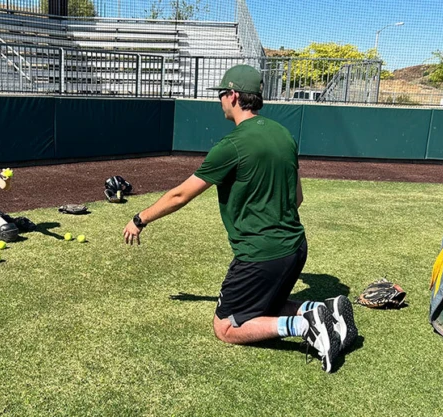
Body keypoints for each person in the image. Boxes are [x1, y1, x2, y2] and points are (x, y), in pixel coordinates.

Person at [122, 65, 357, 372]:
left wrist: (140, 219)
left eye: (221, 94)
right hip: (296, 247)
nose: (220, 101)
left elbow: (180, 195)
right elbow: (297, 198)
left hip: (261, 255)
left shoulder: (231, 145)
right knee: (266, 305)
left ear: (232, 95)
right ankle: (324, 309)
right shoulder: (284, 134)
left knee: (226, 327)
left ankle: (306, 326)